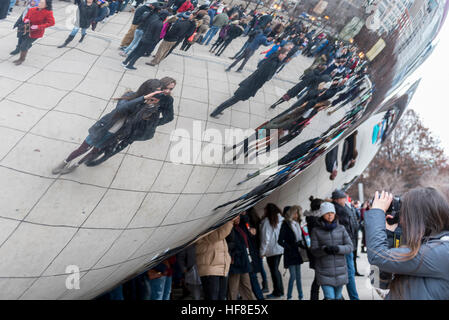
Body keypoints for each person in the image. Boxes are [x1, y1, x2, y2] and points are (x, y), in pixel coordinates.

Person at [51, 79, 163, 174]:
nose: (156, 95)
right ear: (148, 90)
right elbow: (121, 109)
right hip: (104, 129)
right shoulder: (130, 96)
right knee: (83, 148)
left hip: (117, 134)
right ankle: (65, 162)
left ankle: (76, 165)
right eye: (155, 92)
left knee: (94, 151)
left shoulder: (149, 104)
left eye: (158, 92)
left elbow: (138, 121)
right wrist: (142, 99)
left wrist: (149, 107)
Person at [366, 189, 449, 299]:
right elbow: (377, 282)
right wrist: (389, 234)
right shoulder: (419, 246)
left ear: (418, 218)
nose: (401, 219)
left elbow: (377, 257)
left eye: (404, 214)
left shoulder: (442, 251)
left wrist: (377, 212)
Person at [83, 77, 176, 166]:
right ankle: (94, 155)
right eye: (166, 88)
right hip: (126, 125)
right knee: (111, 142)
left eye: (171, 89)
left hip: (138, 130)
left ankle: (102, 159)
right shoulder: (148, 93)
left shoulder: (167, 100)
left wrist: (152, 123)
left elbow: (169, 117)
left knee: (119, 147)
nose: (168, 91)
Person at [210, 48, 288, 118]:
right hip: (251, 85)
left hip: (251, 82)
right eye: (285, 54)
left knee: (235, 99)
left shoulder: (272, 58)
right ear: (280, 54)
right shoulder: (273, 63)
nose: (285, 56)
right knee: (234, 99)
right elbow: (266, 77)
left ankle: (219, 110)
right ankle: (215, 112)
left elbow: (260, 65)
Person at [311, 202, 353, 300]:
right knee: (329, 297)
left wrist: (338, 249)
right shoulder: (316, 230)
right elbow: (313, 250)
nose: (330, 215)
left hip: (340, 272)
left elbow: (350, 247)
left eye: (332, 212)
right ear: (322, 214)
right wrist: (324, 249)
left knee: (338, 297)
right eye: (327, 213)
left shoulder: (341, 229)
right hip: (324, 271)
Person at [195, 218, 237, 300]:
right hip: (210, 267)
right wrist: (230, 221)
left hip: (222, 267)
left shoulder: (218, 225)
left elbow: (231, 238)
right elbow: (218, 235)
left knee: (221, 297)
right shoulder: (204, 226)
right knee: (212, 297)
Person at [331, 189, 360, 300]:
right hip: (345, 246)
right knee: (349, 273)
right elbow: (347, 228)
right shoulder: (339, 210)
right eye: (344, 198)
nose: (346, 199)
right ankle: (353, 297)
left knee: (347, 273)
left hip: (348, 245)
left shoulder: (344, 208)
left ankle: (340, 296)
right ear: (338, 199)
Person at [10, 0, 55, 66]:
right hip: (27, 30)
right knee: (24, 43)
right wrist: (26, 20)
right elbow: (25, 17)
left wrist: (38, 26)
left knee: (23, 45)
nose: (39, 3)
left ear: (46, 5)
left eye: (42, 3)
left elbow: (51, 23)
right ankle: (27, 47)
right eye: (39, 2)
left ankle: (21, 59)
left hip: (36, 33)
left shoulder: (48, 12)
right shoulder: (32, 9)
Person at [226, 214, 256, 300]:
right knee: (233, 289)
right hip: (235, 261)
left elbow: (245, 218)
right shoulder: (229, 228)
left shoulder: (240, 227)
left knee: (247, 286)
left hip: (243, 260)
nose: (238, 219)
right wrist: (233, 255)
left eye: (239, 217)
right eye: (236, 217)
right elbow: (229, 245)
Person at [278, 205, 304, 300]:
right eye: (295, 213)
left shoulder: (297, 224)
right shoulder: (285, 225)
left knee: (298, 276)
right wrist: (288, 247)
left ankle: (301, 296)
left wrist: (304, 246)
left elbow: (299, 239)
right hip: (290, 253)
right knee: (293, 276)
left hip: (296, 252)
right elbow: (280, 241)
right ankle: (289, 296)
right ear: (291, 213)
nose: (297, 215)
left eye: (298, 213)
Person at [259, 203, 284, 299]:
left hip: (271, 250)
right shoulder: (281, 219)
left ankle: (277, 292)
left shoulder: (266, 221)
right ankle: (279, 291)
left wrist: (262, 252)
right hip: (280, 249)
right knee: (276, 270)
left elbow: (265, 239)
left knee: (274, 271)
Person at [303, 196, 323, 300]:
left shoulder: (312, 219)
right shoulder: (316, 221)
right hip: (318, 253)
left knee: (320, 278)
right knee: (320, 278)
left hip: (315, 253)